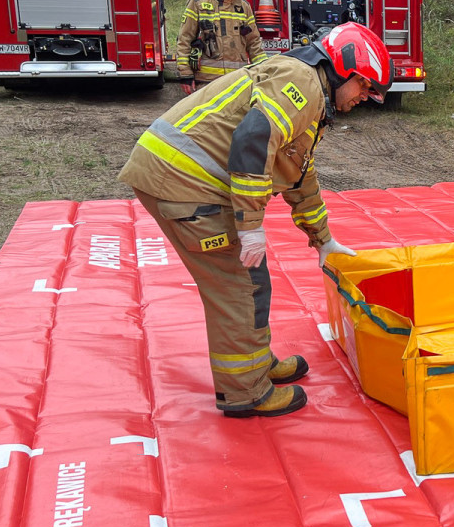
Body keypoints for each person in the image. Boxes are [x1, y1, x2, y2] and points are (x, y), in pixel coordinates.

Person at [120, 23, 392, 417]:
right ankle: (244, 392)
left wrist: (323, 240)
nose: (366, 98)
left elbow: (299, 172)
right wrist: (249, 228)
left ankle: (254, 362)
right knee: (238, 287)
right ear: (342, 69)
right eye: (365, 87)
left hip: (187, 178)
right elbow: (252, 141)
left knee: (252, 279)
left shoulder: (308, 91)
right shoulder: (302, 85)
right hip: (182, 182)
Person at [175, 0, 267, 92]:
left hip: (238, 81)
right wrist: (185, 74)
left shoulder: (244, 7)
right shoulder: (197, 3)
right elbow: (184, 39)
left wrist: (264, 73)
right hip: (206, 83)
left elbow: (254, 43)